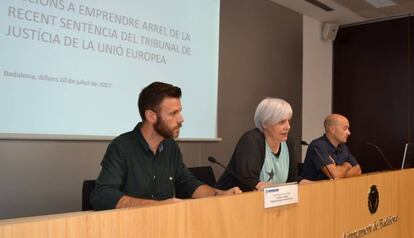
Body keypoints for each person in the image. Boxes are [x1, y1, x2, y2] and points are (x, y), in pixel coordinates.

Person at [90, 82, 241, 210]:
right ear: (151, 116)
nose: (181, 119)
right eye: (173, 113)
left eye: (180, 112)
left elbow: (187, 183)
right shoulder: (121, 147)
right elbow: (102, 194)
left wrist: (219, 195)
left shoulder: (170, 147)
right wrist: (157, 206)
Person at [216, 98, 308, 192]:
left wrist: (316, 186)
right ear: (265, 124)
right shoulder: (251, 141)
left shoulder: (287, 142)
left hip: (271, 200)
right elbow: (249, 182)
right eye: (282, 122)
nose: (288, 127)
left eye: (289, 121)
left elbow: (292, 178)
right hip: (229, 201)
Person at [301, 114, 362, 181]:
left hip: (335, 188)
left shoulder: (342, 146)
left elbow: (358, 171)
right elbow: (334, 175)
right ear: (332, 129)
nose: (349, 133)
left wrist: (339, 171)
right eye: (345, 128)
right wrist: (347, 165)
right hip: (315, 189)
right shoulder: (318, 146)